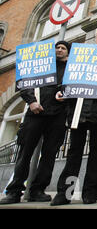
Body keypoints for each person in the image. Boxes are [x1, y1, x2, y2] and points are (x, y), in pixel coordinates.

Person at [50, 24, 97, 206]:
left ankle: (90, 193)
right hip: (78, 112)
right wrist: (62, 91)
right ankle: (64, 194)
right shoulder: (79, 56)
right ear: (95, 36)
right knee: (74, 154)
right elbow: (68, 78)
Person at [0, 41, 70, 205]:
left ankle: (38, 190)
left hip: (58, 116)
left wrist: (65, 94)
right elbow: (25, 84)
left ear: (68, 52)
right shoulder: (39, 65)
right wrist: (31, 101)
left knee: (49, 154)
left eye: (63, 48)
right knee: (25, 153)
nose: (59, 50)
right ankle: (14, 191)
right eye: (57, 48)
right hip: (35, 114)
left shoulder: (70, 68)